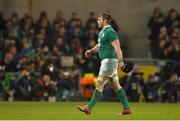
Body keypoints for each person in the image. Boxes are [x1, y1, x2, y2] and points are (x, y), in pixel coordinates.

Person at [76, 11, 132, 115]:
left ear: (105, 20)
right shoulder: (102, 32)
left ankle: (89, 107)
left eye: (99, 19)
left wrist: (121, 62)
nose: (97, 20)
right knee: (116, 86)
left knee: (99, 83)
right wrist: (91, 50)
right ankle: (126, 108)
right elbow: (100, 45)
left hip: (109, 62)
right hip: (108, 62)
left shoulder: (110, 31)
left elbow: (117, 46)